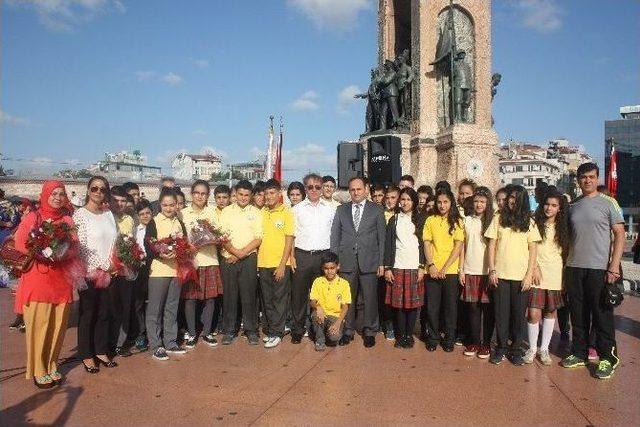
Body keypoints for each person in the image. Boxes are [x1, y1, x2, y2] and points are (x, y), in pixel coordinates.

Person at [561, 162, 625, 379]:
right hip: (574, 267)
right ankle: (579, 353)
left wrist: (614, 266)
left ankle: (608, 358)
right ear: (578, 180)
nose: (587, 181)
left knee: (602, 315)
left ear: (597, 178)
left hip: (599, 268)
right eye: (583, 177)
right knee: (578, 315)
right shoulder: (573, 205)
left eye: (591, 177)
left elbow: (620, 234)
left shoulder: (609, 203)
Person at [13, 181, 77, 388]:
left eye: (61, 194)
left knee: (58, 327)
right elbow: (20, 243)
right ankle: (38, 369)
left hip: (61, 280)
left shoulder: (67, 219)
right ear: (45, 195)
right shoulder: (34, 216)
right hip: (38, 280)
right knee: (39, 326)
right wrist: (40, 252)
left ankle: (51, 364)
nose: (58, 197)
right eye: (54, 193)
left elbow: (74, 246)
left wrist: (63, 253)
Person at [485, 185, 541, 366]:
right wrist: (492, 269)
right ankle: (500, 348)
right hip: (500, 275)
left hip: (521, 278)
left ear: (522, 200)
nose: (511, 200)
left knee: (518, 315)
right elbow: (491, 245)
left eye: (516, 198)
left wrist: (529, 275)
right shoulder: (498, 218)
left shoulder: (530, 222)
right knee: (501, 314)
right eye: (510, 197)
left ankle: (516, 349)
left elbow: (533, 250)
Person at [330, 176, 386, 348]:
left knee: (370, 298)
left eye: (358, 189)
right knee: (348, 299)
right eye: (352, 190)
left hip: (369, 261)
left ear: (366, 189)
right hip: (346, 261)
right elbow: (335, 236)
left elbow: (381, 238)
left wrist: (382, 263)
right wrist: (334, 261)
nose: (355, 192)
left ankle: (370, 331)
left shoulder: (376, 210)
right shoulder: (341, 210)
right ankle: (348, 330)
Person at [73, 176, 119, 372]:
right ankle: (86, 354)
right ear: (88, 190)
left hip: (109, 271)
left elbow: (114, 241)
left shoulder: (109, 213)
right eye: (94, 188)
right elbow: (81, 247)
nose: (98, 192)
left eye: (102, 189)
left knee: (104, 313)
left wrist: (113, 264)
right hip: (89, 271)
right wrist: (101, 266)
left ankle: (100, 350)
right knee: (88, 314)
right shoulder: (80, 215)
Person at [523, 190, 569, 366]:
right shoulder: (534, 223)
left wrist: (564, 277)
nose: (549, 208)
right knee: (533, 313)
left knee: (550, 312)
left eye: (554, 205)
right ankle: (532, 349)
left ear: (560, 208)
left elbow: (565, 255)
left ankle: (544, 349)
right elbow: (528, 248)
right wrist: (533, 267)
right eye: (547, 204)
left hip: (555, 274)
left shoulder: (564, 228)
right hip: (536, 273)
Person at [290, 173, 336, 343]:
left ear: (322, 188)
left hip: (323, 256)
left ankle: (319, 329)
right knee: (299, 296)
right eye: (310, 187)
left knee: (321, 296)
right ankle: (297, 329)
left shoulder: (330, 209)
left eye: (318, 187)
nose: (314, 190)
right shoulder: (296, 210)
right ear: (305, 188)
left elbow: (334, 234)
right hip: (302, 255)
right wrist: (291, 257)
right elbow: (291, 236)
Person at [144, 188, 189, 361]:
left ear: (177, 205)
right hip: (159, 271)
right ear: (160, 205)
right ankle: (156, 345)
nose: (169, 208)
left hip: (175, 270)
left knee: (172, 307)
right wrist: (159, 253)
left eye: (172, 205)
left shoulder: (179, 222)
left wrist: (180, 252)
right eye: (165, 205)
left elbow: (184, 243)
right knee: (155, 309)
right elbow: (149, 244)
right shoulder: (154, 222)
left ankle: (170, 342)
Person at [219, 180, 263, 345]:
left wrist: (240, 254)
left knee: (249, 295)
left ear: (250, 195)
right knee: (230, 296)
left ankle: (251, 330)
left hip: (248, 259)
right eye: (240, 194)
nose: (243, 198)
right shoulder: (226, 212)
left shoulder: (256, 212)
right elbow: (222, 236)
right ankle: (229, 330)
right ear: (235, 195)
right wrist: (235, 253)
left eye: (247, 195)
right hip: (228, 258)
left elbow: (258, 237)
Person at [181, 180, 223, 348]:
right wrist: (187, 245)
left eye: (203, 193)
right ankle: (192, 333)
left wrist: (212, 237)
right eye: (197, 193)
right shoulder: (183, 213)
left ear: (207, 196)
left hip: (210, 259)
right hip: (191, 262)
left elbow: (219, 234)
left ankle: (207, 333)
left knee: (210, 299)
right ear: (191, 194)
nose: (200, 196)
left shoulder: (213, 212)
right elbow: (179, 237)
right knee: (190, 299)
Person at [423, 189, 464, 352]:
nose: (442, 205)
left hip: (451, 271)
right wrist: (431, 265)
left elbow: (458, 246)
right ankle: (433, 337)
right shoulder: (430, 220)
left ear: (451, 203)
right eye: (439, 202)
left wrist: (445, 268)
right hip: (432, 270)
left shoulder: (457, 221)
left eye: (445, 202)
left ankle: (449, 338)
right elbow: (427, 243)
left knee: (450, 307)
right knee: (432, 307)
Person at [384, 187, 425, 349]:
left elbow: (423, 245)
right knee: (398, 305)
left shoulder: (421, 219)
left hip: (415, 267)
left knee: (412, 305)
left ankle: (409, 335)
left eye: (408, 199)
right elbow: (388, 245)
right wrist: (388, 268)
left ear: (414, 201)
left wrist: (422, 266)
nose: (405, 202)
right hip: (398, 266)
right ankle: (400, 336)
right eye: (403, 199)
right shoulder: (394, 220)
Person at [258, 179, 294, 348]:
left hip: (280, 264)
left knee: (279, 299)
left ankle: (277, 332)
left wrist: (282, 265)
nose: (269, 196)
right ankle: (272, 329)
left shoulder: (286, 212)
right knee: (268, 299)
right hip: (263, 263)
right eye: (267, 193)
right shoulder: (262, 212)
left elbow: (289, 240)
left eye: (272, 193)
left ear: (280, 194)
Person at [459, 187, 494, 359]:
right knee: (472, 308)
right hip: (470, 269)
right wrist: (461, 269)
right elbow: (462, 246)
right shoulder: (467, 220)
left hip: (488, 271)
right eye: (476, 201)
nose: (479, 204)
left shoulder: (494, 221)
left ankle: (486, 344)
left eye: (482, 201)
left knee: (487, 310)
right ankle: (474, 341)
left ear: (488, 204)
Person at [109, 186, 136, 357]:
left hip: (126, 270)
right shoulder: (106, 217)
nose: (119, 204)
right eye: (116, 200)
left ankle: (120, 343)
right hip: (109, 270)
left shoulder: (130, 219)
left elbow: (132, 243)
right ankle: (108, 343)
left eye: (123, 201)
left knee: (125, 307)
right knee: (110, 309)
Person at [310, 251, 351, 351]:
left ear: (338, 267)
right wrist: (318, 307)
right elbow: (312, 301)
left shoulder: (344, 284)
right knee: (317, 315)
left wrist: (338, 322)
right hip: (322, 314)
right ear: (322, 268)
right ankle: (320, 340)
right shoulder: (318, 281)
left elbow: (345, 306)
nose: (329, 271)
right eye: (326, 269)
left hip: (335, 317)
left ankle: (326, 332)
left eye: (332, 268)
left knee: (334, 338)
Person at [131, 199, 153, 352]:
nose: (145, 216)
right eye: (142, 214)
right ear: (138, 216)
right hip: (139, 270)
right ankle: (141, 334)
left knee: (153, 303)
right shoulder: (135, 230)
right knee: (138, 303)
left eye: (148, 213)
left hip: (154, 269)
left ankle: (154, 333)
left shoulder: (156, 227)